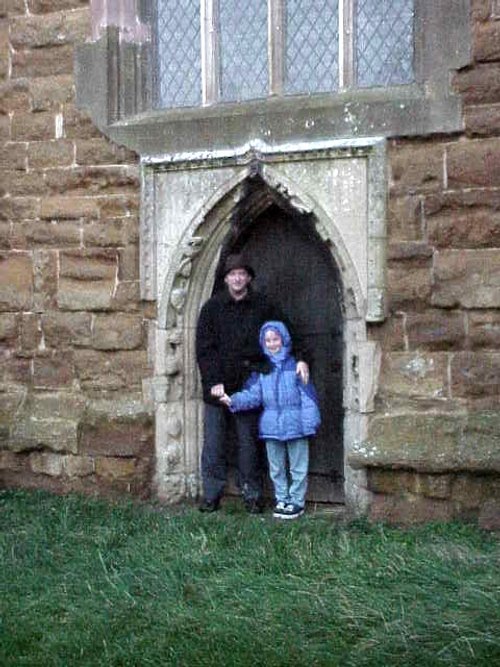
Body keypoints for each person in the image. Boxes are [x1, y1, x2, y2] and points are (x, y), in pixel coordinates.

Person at [196, 254, 309, 514]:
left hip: (250, 384)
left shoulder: (263, 305)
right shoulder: (212, 308)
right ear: (226, 279)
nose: (237, 278)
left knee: (248, 444)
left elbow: (287, 331)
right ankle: (211, 494)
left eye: (242, 274)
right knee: (214, 443)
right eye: (232, 274)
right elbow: (204, 348)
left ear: (248, 278)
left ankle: (252, 494)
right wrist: (213, 381)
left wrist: (301, 358)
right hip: (218, 386)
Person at [220, 321, 321, 520]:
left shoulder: (296, 366)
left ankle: (297, 502)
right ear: (263, 343)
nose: (272, 344)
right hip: (271, 425)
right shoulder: (262, 371)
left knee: (297, 466)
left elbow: (308, 397)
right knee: (276, 467)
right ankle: (282, 498)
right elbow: (253, 395)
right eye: (268, 340)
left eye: (275, 339)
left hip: (296, 425)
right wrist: (233, 400)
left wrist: (309, 423)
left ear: (283, 339)